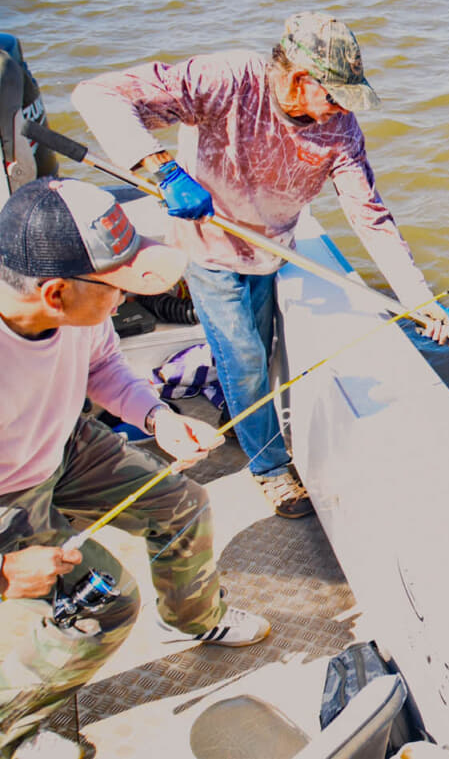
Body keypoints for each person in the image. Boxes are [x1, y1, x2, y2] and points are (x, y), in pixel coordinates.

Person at [72, 12, 449, 519]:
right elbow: (97, 95)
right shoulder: (226, 80)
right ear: (300, 79)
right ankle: (269, 468)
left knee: (257, 347)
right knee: (244, 358)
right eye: (334, 96)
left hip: (271, 249)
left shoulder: (340, 131)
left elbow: (370, 215)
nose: (340, 111)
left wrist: (418, 297)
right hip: (207, 243)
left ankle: (239, 409)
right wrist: (162, 170)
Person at [0, 178, 272, 759]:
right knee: (105, 605)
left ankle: (194, 618)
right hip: (7, 495)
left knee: (184, 505)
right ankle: (10, 732)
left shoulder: (80, 309)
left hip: (64, 440)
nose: (126, 297)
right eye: (117, 285)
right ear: (54, 293)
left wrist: (158, 419)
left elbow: (102, 367)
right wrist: (3, 570)